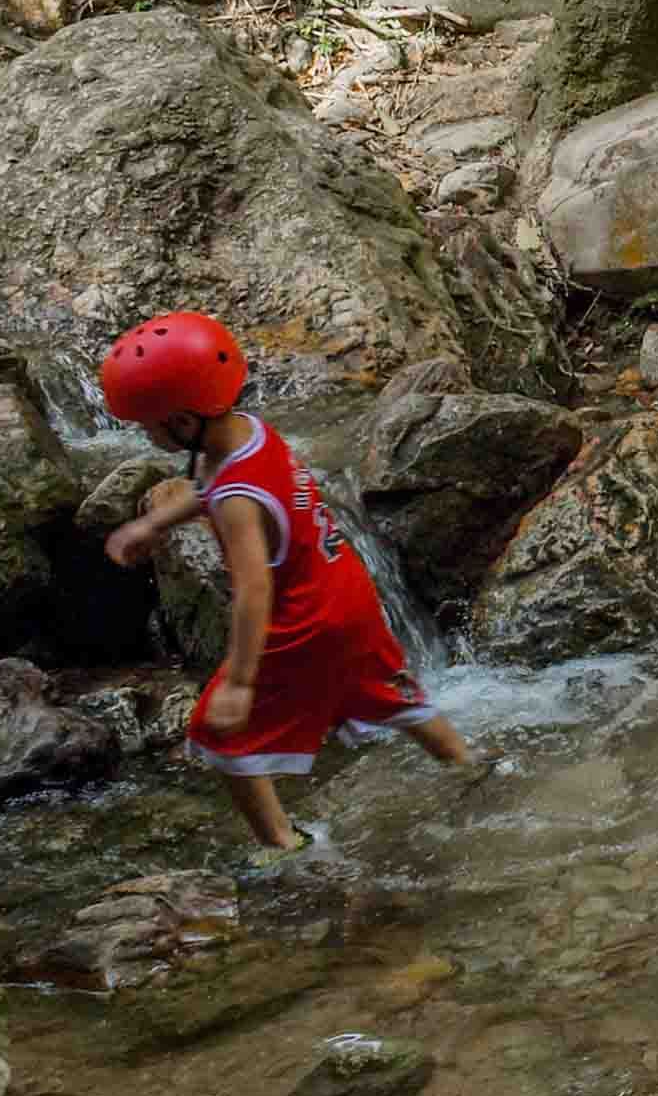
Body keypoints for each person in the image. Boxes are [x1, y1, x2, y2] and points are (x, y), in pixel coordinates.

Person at [94, 310, 470, 859]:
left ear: (181, 421)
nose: (145, 435)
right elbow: (212, 483)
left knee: (219, 734)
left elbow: (252, 591)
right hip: (347, 591)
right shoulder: (248, 431)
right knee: (392, 696)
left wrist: (241, 683)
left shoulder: (238, 503)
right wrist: (152, 524)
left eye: (148, 425)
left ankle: (285, 846)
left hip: (303, 619)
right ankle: (470, 767)